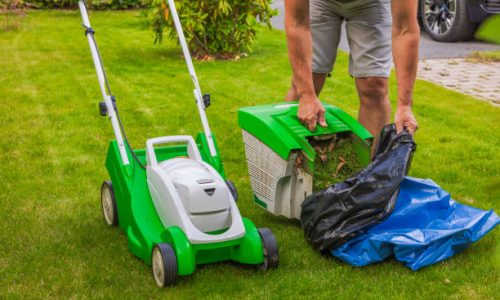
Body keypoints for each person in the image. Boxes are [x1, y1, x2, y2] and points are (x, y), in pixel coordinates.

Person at [284, 0, 419, 150]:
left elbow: (405, 30)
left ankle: (367, 169)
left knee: (374, 85)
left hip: (371, 4)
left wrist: (404, 105)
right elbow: (297, 23)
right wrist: (306, 94)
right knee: (307, 81)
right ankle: (287, 160)